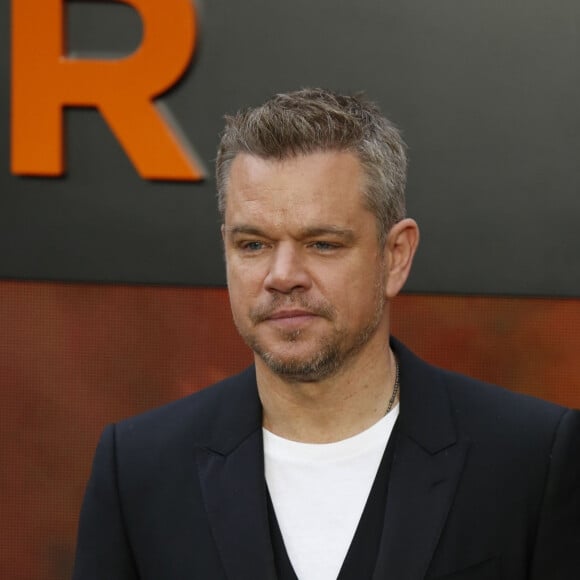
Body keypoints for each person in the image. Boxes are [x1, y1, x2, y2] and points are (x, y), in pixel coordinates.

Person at [72, 88, 580, 580]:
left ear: (395, 255)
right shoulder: (139, 468)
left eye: (321, 244)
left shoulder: (532, 458)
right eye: (253, 245)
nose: (282, 274)